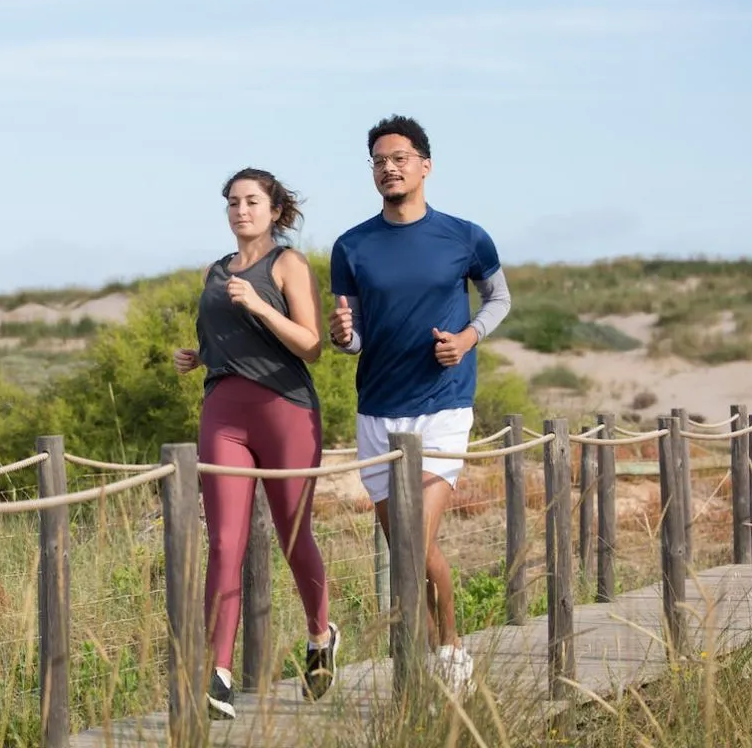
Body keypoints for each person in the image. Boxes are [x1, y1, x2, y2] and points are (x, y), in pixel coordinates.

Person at [327, 115, 512, 696]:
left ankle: (447, 650)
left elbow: (499, 297)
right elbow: (354, 335)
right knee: (409, 546)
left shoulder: (465, 236)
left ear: (425, 164)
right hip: (377, 410)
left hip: (442, 406)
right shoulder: (350, 246)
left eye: (400, 157)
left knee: (411, 542)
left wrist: (468, 338)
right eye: (379, 160)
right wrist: (342, 337)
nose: (389, 167)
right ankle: (440, 649)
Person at [174, 167, 339, 720]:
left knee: (294, 536)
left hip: (286, 409)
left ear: (273, 209)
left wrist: (261, 306)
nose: (241, 210)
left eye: (251, 201)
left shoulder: (287, 264)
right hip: (223, 410)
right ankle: (216, 674)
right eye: (233, 202)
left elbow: (312, 345)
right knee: (224, 542)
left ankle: (320, 637)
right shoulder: (214, 272)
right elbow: (222, 338)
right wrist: (197, 356)